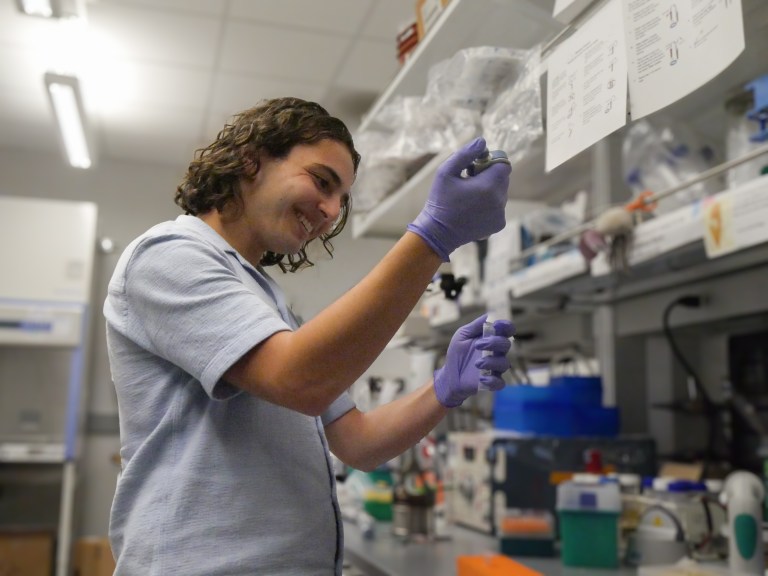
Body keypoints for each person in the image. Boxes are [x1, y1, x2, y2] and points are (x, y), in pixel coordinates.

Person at [104, 97, 514, 575]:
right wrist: (434, 237)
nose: (330, 212)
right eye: (322, 182)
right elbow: (299, 379)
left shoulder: (267, 303)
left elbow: (358, 442)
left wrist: (443, 388)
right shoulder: (169, 256)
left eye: (341, 200)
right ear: (250, 159)